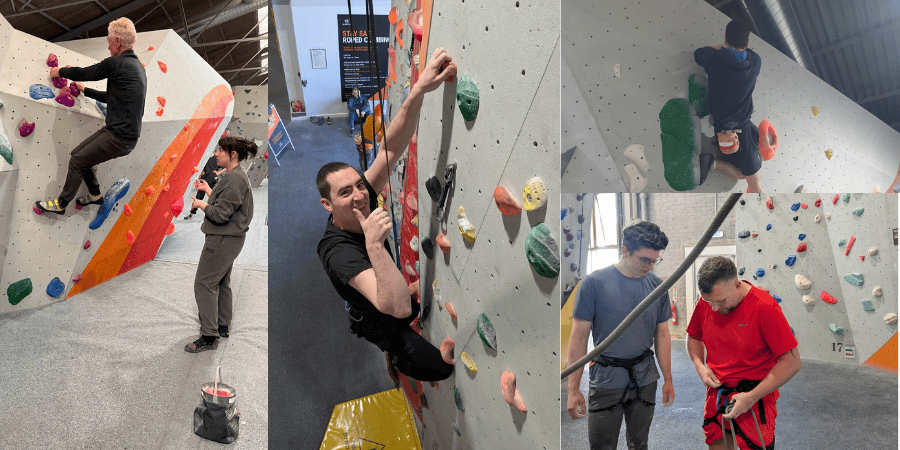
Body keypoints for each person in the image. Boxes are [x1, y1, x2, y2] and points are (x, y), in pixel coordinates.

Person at [317, 48, 457, 382]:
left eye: (358, 185)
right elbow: (398, 309)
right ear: (327, 205)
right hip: (378, 318)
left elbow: (390, 147)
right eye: (345, 192)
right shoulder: (337, 253)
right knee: (439, 367)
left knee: (403, 291)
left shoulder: (363, 195)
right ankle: (392, 356)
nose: (359, 196)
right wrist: (375, 245)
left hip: (386, 288)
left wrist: (418, 90)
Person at [566, 220, 675, 450]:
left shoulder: (658, 287)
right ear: (625, 250)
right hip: (606, 379)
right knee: (602, 446)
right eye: (645, 259)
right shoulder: (593, 284)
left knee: (639, 444)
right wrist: (573, 389)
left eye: (655, 260)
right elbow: (578, 339)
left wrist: (668, 379)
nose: (651, 266)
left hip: (645, 377)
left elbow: (663, 334)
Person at [687, 256, 801, 450]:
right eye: (709, 302)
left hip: (754, 396)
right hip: (718, 394)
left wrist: (750, 397)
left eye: (720, 301)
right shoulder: (708, 303)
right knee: (717, 444)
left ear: (737, 284)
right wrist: (700, 366)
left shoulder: (765, 307)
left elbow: (791, 362)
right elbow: (694, 337)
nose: (714, 308)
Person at [35, 17, 147, 214]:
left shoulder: (117, 63)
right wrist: (85, 91)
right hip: (122, 135)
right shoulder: (137, 68)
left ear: (118, 41)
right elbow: (112, 96)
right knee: (78, 155)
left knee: (78, 160)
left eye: (109, 41)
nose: (108, 45)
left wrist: (59, 71)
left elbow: (87, 72)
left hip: (119, 137)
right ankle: (95, 194)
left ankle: (61, 204)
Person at [184, 136, 257, 353]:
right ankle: (222, 325)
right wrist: (208, 190)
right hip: (230, 239)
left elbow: (220, 214)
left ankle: (209, 336)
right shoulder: (234, 176)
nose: (216, 154)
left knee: (204, 284)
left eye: (220, 151)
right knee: (221, 282)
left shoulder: (235, 179)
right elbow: (226, 201)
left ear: (232, 154)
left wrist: (201, 204)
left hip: (223, 239)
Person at [694, 19, 764, 193]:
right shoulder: (755, 61)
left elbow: (698, 54)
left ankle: (714, 163)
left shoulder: (714, 58)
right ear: (747, 43)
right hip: (742, 125)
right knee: (749, 178)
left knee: (744, 174)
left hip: (723, 125)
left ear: (725, 39)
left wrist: (719, 48)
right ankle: (714, 163)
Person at [185, 154, 225, 220]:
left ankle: (214, 214)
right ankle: (191, 213)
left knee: (213, 197)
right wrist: (201, 174)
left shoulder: (215, 159)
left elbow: (225, 167)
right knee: (199, 197)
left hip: (213, 180)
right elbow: (202, 170)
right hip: (204, 180)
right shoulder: (205, 158)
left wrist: (218, 173)